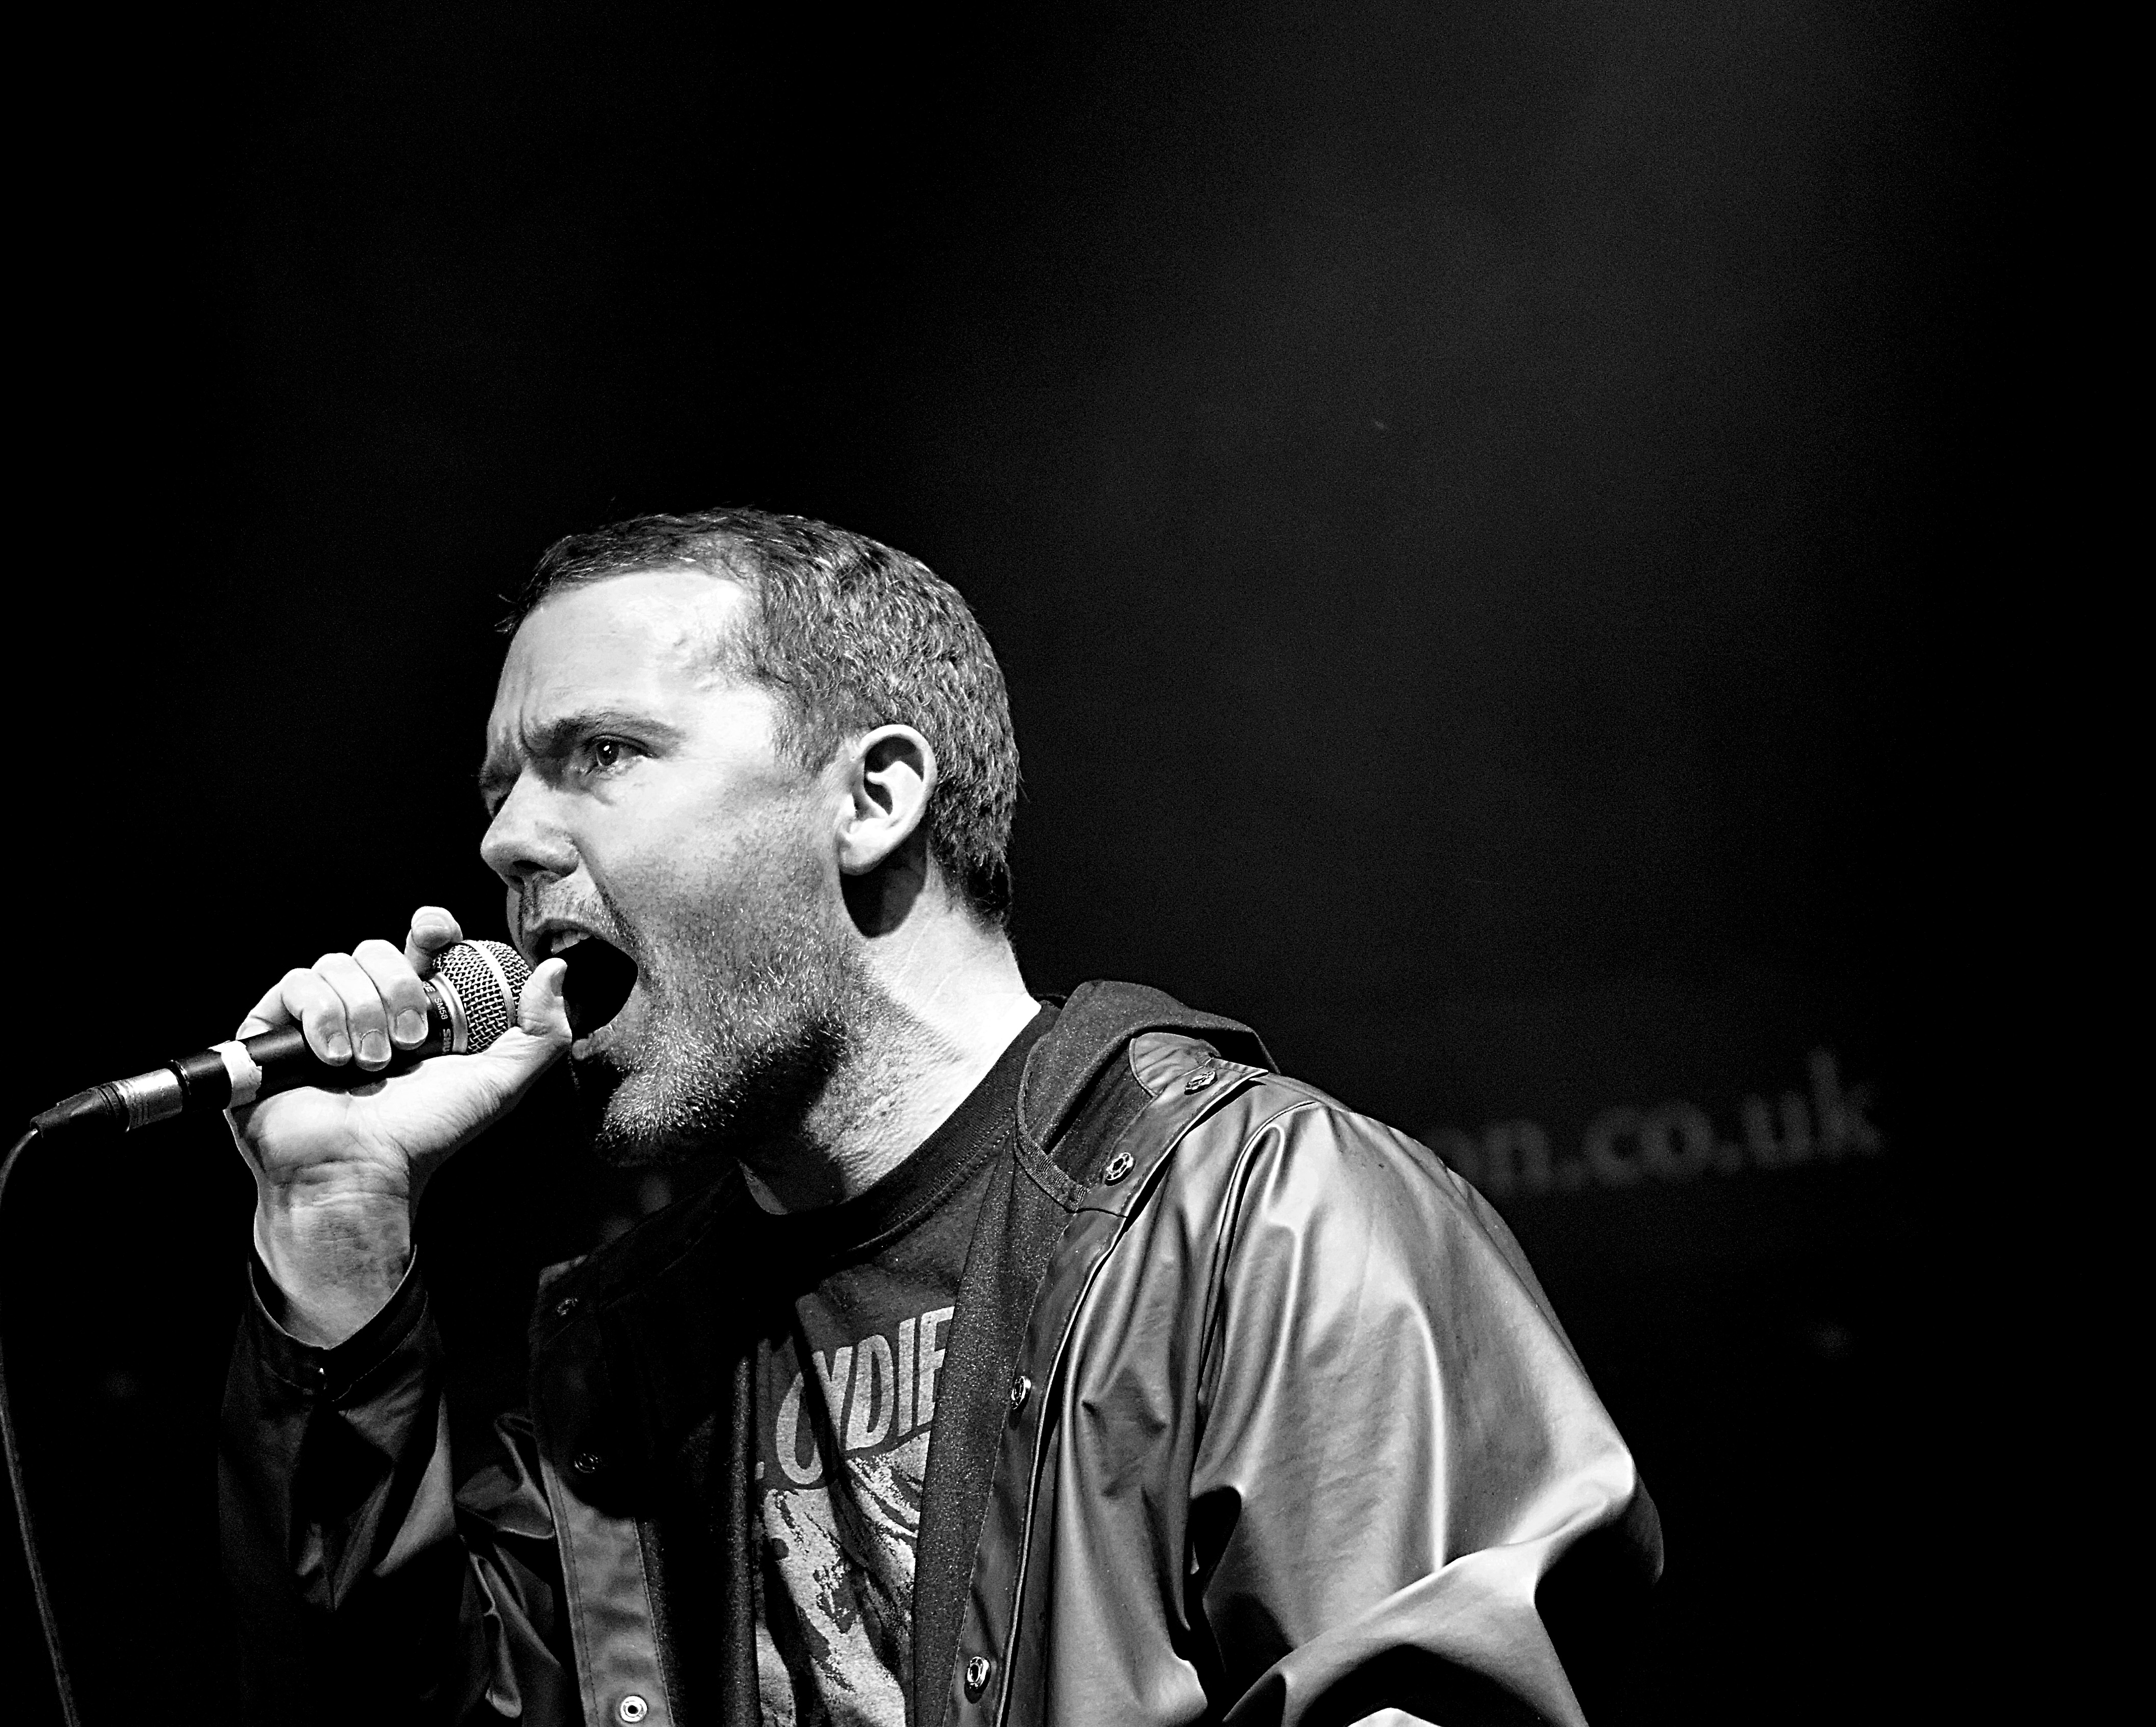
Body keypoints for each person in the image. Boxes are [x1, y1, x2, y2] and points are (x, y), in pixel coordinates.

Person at [220, 508, 1660, 1726]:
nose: (507, 840)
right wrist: (333, 1215)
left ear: (875, 798)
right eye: (500, 790)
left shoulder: (1257, 1216)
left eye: (601, 754)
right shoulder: (625, 1365)